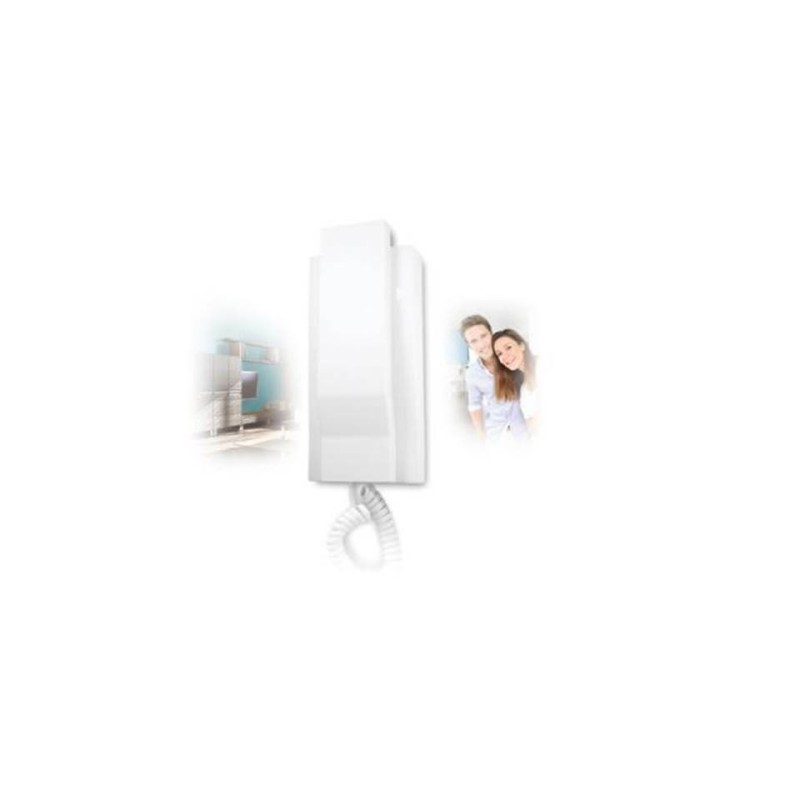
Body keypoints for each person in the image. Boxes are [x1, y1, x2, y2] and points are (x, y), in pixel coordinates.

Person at [460, 315, 527, 441]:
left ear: (491, 333)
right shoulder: (472, 374)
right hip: (496, 433)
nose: (481, 344)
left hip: (524, 428)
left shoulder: (510, 358)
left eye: (483, 336)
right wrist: (481, 436)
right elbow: (474, 406)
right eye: (474, 341)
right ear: (469, 346)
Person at [491, 328, 538, 435]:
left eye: (508, 347)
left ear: (522, 346)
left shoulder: (544, 367)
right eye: (499, 354)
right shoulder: (524, 389)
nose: (505, 356)